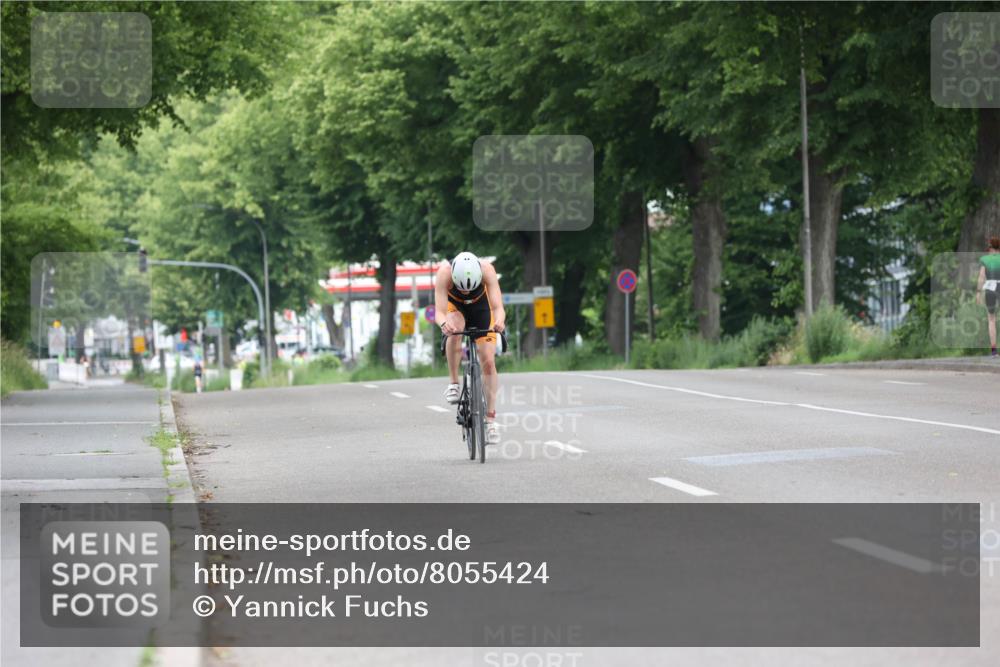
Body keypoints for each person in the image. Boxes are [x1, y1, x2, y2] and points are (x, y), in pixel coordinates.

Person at [435, 252, 506, 444]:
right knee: (454, 328)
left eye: (470, 289)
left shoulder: (487, 271)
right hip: (454, 308)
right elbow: (439, 313)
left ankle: (490, 421)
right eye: (462, 288)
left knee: (489, 362)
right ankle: (453, 383)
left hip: (482, 308)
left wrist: (499, 321)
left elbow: (498, 307)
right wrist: (444, 325)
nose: (466, 292)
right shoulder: (444, 274)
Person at [976, 236, 1000, 358]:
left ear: (991, 248)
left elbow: (981, 277)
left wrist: (978, 292)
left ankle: (994, 351)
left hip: (990, 288)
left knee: (991, 319)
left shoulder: (984, 259)